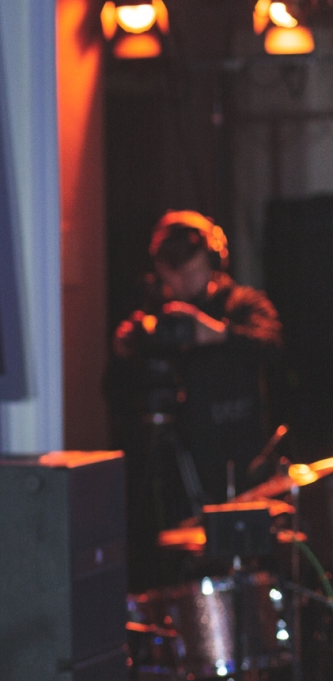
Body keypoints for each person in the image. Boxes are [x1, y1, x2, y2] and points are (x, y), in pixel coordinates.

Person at [106, 210, 282, 589]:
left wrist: (215, 334)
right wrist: (124, 352)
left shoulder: (242, 305)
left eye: (192, 268)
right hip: (172, 471)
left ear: (213, 260)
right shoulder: (158, 320)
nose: (183, 280)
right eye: (173, 272)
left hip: (238, 465)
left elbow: (271, 347)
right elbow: (115, 393)